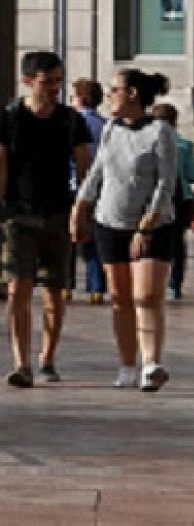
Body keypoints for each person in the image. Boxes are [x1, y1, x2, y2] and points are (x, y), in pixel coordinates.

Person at [72, 68, 178, 392]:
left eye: (114, 90)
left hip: (152, 224)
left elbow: (166, 179)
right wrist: (81, 206)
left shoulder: (160, 131)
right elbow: (97, 171)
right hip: (110, 221)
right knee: (120, 298)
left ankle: (152, 363)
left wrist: (149, 220)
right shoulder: (111, 130)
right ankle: (127, 364)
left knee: (146, 295)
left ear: (132, 94)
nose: (109, 97)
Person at [0, 52, 93, 388]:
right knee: (18, 287)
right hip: (18, 214)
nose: (55, 87)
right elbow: (2, 164)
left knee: (55, 290)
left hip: (59, 213)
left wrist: (82, 211)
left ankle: (47, 358)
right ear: (28, 81)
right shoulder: (10, 118)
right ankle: (21, 362)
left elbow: (84, 166)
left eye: (58, 80)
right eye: (47, 81)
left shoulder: (71, 120)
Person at [151, 104, 194, 301]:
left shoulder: (150, 143)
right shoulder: (185, 145)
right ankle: (175, 283)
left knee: (153, 240)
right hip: (180, 197)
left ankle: (153, 280)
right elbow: (192, 175)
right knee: (178, 242)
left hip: (155, 196)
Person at [72, 79, 108, 305]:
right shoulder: (106, 124)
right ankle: (96, 287)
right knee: (95, 238)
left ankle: (66, 283)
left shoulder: (75, 122)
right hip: (99, 186)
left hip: (74, 183)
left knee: (70, 237)